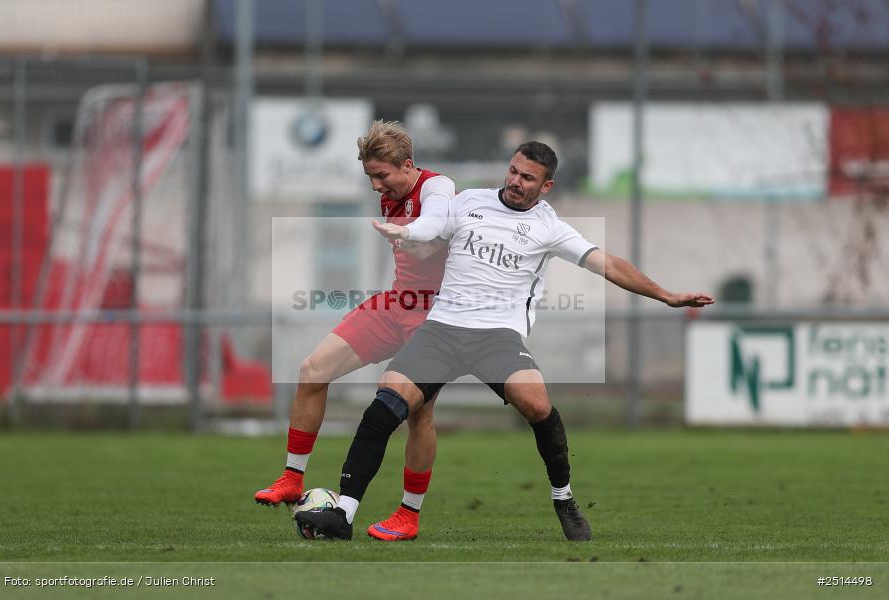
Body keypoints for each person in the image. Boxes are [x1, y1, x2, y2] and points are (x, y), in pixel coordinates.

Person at [295, 141, 715, 541]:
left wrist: (666, 295)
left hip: (497, 337)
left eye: (527, 177)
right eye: (513, 171)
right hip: (442, 328)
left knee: (538, 406)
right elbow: (432, 238)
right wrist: (409, 236)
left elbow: (609, 265)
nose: (515, 181)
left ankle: (563, 498)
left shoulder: (549, 227)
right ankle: (344, 513)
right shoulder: (468, 202)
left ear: (546, 186)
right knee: (384, 405)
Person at [255, 120, 455, 542]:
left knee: (420, 415)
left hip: (434, 316)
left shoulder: (437, 187)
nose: (376, 186)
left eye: (382, 175)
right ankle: (292, 477)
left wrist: (409, 233)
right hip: (395, 304)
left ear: (408, 165)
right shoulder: (388, 196)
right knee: (313, 370)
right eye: (370, 177)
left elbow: (435, 222)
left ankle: (409, 514)